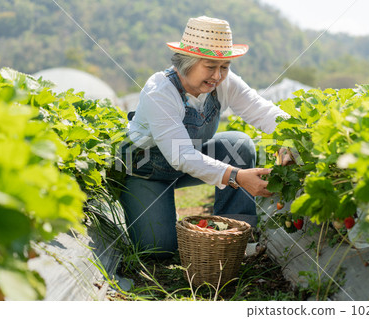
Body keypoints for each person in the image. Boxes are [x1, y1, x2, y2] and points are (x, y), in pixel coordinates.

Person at [120, 16, 291, 258]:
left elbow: (262, 111)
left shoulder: (224, 83)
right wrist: (237, 177)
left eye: (225, 66)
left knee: (239, 144)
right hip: (148, 171)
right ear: (186, 63)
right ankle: (158, 211)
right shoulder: (160, 91)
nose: (218, 76)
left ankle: (234, 239)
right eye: (210, 66)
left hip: (186, 164)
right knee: (158, 251)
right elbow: (181, 156)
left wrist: (290, 136)